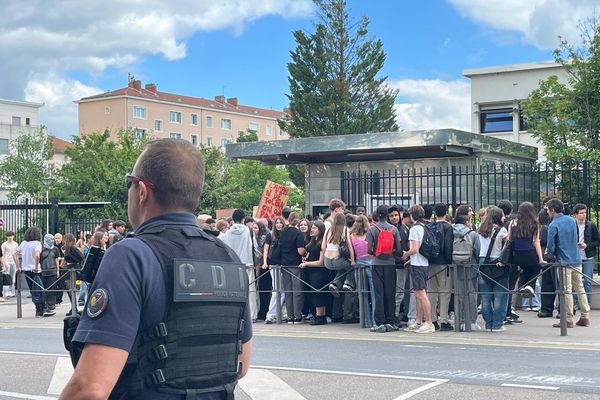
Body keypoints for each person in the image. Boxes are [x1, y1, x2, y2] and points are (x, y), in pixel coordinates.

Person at [60, 138, 252, 399]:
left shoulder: (131, 255)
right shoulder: (227, 256)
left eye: (129, 183)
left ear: (142, 191)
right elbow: (241, 365)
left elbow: (89, 388)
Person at [545, 198, 591, 328]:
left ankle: (568, 319)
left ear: (553, 210)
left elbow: (551, 245)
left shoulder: (553, 224)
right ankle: (585, 316)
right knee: (580, 287)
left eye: (548, 209)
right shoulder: (571, 220)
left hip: (563, 262)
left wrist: (548, 255)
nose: (547, 212)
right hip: (576, 258)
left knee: (566, 290)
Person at [367, 205, 402, 333]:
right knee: (390, 293)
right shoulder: (394, 229)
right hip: (390, 264)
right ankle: (390, 321)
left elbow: (369, 250)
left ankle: (379, 322)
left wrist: (377, 252)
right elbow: (399, 250)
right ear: (387, 214)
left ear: (377, 214)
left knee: (379, 293)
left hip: (377, 263)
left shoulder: (372, 229)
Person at [402, 205, 434, 334]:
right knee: (419, 294)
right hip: (423, 263)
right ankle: (418, 321)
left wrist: (406, 255)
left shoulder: (414, 229)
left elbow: (415, 249)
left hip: (418, 265)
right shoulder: (423, 227)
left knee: (421, 293)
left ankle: (429, 322)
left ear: (411, 216)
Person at [222, 209, 258, 322]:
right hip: (247, 263)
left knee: (234, 291)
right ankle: (252, 315)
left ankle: (236, 314)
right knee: (250, 291)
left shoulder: (227, 233)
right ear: (243, 219)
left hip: (233, 264)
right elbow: (255, 247)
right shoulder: (248, 231)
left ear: (233, 219)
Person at [477, 206, 509, 332]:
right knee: (500, 295)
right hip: (497, 262)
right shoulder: (502, 230)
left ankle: (488, 323)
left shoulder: (480, 229)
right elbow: (506, 248)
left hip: (482, 262)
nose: (504, 217)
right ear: (498, 217)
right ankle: (497, 324)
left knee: (485, 295)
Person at [427, 203, 454, 331]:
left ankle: (432, 319)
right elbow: (448, 247)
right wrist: (449, 261)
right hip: (443, 263)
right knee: (444, 292)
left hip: (430, 262)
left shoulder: (429, 226)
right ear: (446, 213)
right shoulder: (448, 227)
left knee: (431, 292)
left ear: (434, 213)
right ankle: (443, 319)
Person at [299, 220, 330, 325]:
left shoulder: (322, 243)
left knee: (318, 293)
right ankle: (317, 315)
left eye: (314, 228)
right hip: (311, 271)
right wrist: (305, 259)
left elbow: (321, 262)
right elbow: (308, 252)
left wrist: (307, 264)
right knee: (313, 293)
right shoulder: (312, 240)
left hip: (319, 271)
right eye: (312, 228)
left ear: (320, 230)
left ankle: (321, 316)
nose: (312, 230)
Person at [278, 212, 307, 323]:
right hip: (295, 264)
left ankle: (290, 316)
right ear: (297, 220)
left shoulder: (282, 232)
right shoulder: (298, 233)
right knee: (297, 290)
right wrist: (305, 254)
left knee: (288, 291)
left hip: (284, 264)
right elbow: (300, 251)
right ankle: (297, 315)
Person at [13, 227, 44, 317]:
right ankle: (40, 309)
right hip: (36, 270)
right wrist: (36, 266)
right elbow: (37, 255)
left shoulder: (23, 244)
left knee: (32, 289)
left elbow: (15, 254)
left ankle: (37, 308)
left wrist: (18, 266)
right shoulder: (37, 243)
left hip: (26, 270)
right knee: (39, 289)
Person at [572, 203, 599, 305]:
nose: (584, 215)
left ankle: (587, 303)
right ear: (576, 214)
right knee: (575, 281)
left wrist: (587, 245)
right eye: (581, 213)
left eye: (585, 213)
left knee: (587, 280)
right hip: (575, 257)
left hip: (588, 256)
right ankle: (574, 303)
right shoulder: (572, 225)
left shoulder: (591, 226)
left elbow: (597, 241)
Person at [40, 233, 61, 317]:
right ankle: (44, 304)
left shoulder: (55, 249)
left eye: (53, 239)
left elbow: (56, 259)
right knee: (44, 288)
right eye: (51, 239)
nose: (53, 241)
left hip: (52, 271)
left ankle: (51, 304)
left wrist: (58, 270)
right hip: (43, 271)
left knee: (51, 288)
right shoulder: (42, 248)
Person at [2, 231, 18, 298]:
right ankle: (6, 292)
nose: (10, 237)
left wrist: (17, 264)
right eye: (8, 236)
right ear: (6, 237)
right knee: (7, 277)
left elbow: (17, 253)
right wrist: (4, 264)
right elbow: (2, 254)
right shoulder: (4, 244)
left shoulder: (15, 244)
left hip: (13, 262)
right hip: (7, 261)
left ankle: (12, 291)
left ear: (13, 236)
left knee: (13, 276)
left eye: (11, 236)